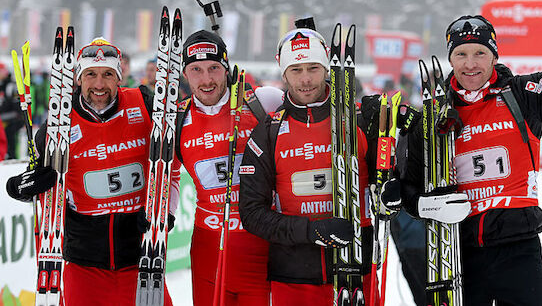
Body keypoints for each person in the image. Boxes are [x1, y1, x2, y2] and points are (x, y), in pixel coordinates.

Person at [384, 0, 542, 306]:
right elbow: (409, 188)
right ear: (450, 58)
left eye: (479, 53)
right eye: (461, 54)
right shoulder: (432, 116)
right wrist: (427, 205)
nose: (470, 64)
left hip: (519, 250)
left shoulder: (524, 97)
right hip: (459, 254)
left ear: (494, 55)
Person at [6, 37, 179, 305]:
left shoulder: (144, 104)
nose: (99, 85)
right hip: (84, 265)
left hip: (141, 261)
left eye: (108, 74)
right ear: (78, 78)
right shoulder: (58, 126)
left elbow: (171, 166)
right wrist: (20, 188)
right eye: (91, 75)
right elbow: (43, 184)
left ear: (119, 77)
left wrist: (165, 212)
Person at [239, 23, 376, 306]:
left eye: (313, 68)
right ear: (284, 74)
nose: (305, 80)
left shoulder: (360, 120)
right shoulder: (269, 131)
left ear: (326, 68)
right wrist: (310, 232)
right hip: (294, 277)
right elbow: (252, 213)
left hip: (357, 272)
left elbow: (386, 180)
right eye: (296, 70)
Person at [175, 29, 283, 305]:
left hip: (263, 244)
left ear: (227, 69)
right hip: (208, 249)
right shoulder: (177, 121)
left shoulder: (263, 102)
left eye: (214, 68)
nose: (206, 79)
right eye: (196, 70)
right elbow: (170, 176)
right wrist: (166, 215)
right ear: (185, 74)